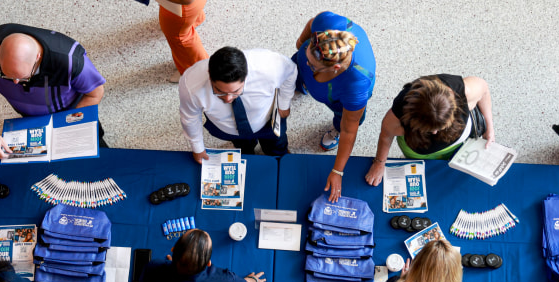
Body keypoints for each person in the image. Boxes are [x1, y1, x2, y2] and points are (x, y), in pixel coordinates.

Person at [0, 23, 107, 160]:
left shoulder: (70, 61)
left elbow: (95, 93)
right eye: (6, 75)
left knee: (99, 159)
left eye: (23, 77)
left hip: (69, 112)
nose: (15, 82)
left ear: (38, 57)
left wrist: (67, 125)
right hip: (31, 120)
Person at [293, 11, 376, 202]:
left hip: (337, 97)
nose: (307, 62)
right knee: (300, 68)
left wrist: (337, 171)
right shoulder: (328, 24)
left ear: (335, 68)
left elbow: (349, 129)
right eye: (308, 55)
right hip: (317, 76)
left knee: (342, 119)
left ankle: (333, 131)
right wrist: (301, 43)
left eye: (313, 66)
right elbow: (313, 21)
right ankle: (303, 82)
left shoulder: (356, 85)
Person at [365, 74, 495, 186]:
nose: (434, 133)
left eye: (441, 127)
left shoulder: (465, 91)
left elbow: (484, 90)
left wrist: (489, 128)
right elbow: (386, 136)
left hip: (459, 145)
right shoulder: (399, 116)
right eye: (428, 129)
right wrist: (379, 163)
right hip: (419, 151)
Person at [179, 46, 296, 160]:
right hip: (228, 128)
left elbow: (291, 72)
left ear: (245, 77)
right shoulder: (191, 83)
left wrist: (284, 103)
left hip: (267, 121)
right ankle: (247, 153)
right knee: (243, 148)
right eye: (219, 91)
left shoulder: (269, 66)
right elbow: (190, 117)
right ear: (209, 75)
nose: (228, 99)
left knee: (276, 144)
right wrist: (198, 148)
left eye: (236, 91)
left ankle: (278, 156)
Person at [158, 0, 210, 83]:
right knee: (191, 15)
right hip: (193, 6)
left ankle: (193, 71)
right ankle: (196, 19)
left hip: (180, 8)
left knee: (179, 37)